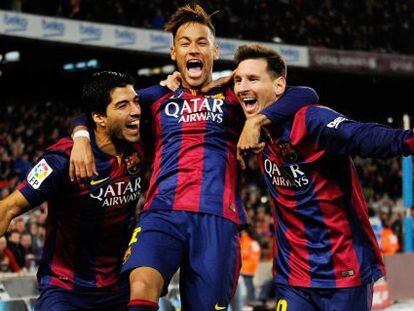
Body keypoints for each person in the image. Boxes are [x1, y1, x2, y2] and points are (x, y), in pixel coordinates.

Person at [69, 5, 318, 310]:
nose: (193, 49)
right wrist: (81, 136)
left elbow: (305, 94)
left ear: (215, 51)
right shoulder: (158, 96)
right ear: (174, 52)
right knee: (142, 282)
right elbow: (96, 108)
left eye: (201, 42)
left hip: (218, 219)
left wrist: (255, 121)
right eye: (185, 43)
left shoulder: (235, 93)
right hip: (162, 211)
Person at [232, 43, 414, 310]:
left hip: (342, 272)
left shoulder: (311, 120)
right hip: (292, 277)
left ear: (279, 86)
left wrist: (408, 141)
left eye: (252, 79)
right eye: (237, 80)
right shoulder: (251, 118)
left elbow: (359, 135)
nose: (241, 86)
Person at [0, 71, 144, 310]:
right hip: (66, 290)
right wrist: (79, 137)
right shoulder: (61, 161)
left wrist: (81, 132)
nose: (136, 110)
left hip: (120, 288)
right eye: (123, 105)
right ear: (99, 117)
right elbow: (8, 208)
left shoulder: (139, 141)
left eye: (136, 101)